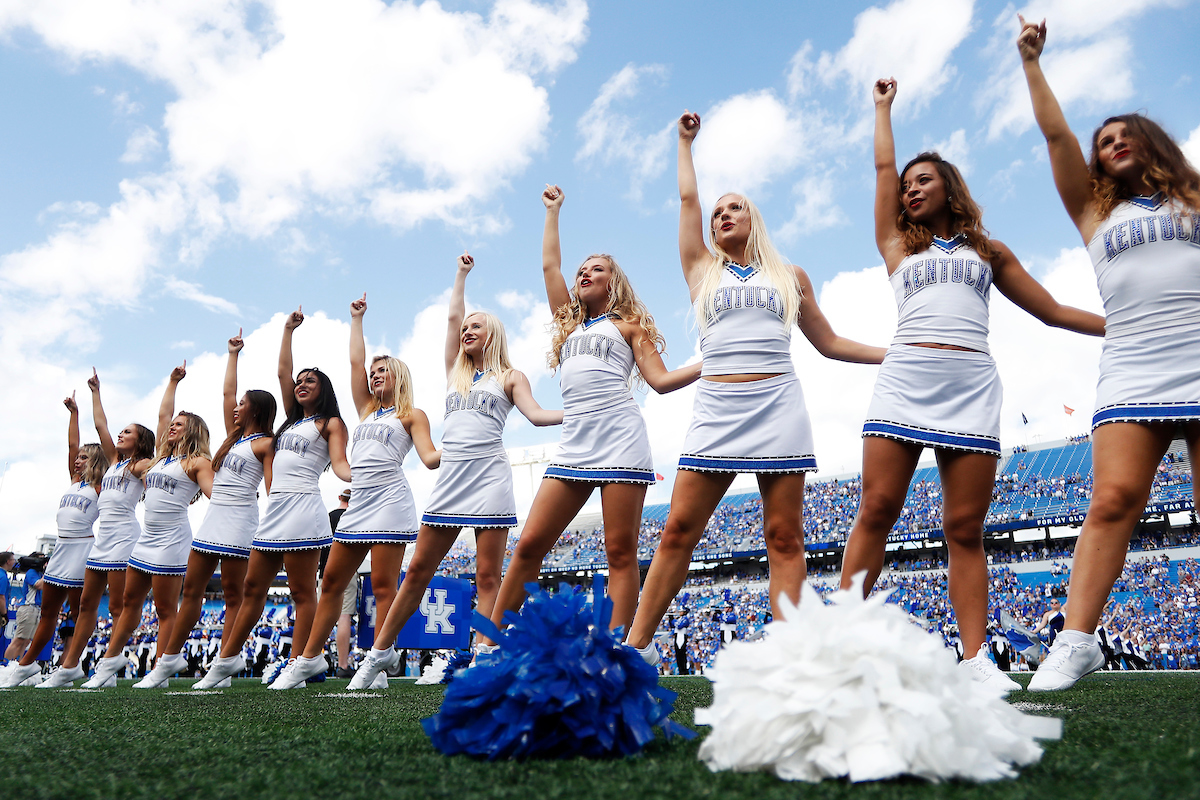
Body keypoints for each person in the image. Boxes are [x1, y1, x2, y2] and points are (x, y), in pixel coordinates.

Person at [837, 77, 1104, 691]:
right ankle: (838, 639)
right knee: (876, 509)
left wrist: (1121, 325)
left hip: (971, 391)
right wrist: (881, 109)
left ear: (950, 187)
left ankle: (977, 659)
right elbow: (882, 166)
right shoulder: (895, 247)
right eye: (906, 186)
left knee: (964, 529)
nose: (909, 189)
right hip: (903, 383)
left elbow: (1053, 310)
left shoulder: (989, 251)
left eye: (923, 179)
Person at [624, 111, 886, 663]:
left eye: (733, 207)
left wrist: (896, 353)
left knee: (784, 537)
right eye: (718, 212)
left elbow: (831, 343)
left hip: (778, 404)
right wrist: (683, 144)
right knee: (677, 531)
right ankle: (637, 647)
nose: (721, 215)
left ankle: (788, 652)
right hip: (717, 404)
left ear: (754, 218)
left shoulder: (791, 276)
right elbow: (688, 203)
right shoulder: (701, 270)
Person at [1018, 17, 1200, 690]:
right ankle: (1076, 640)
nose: (1113, 144)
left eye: (1125, 136)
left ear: (1149, 144)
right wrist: (1033, 63)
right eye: (1105, 143)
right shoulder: (1095, 212)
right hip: (1133, 363)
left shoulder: (1194, 194)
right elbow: (1057, 136)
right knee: (1113, 497)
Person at [484, 185, 700, 640]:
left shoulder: (629, 326)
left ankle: (618, 654)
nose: (584, 274)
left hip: (621, 439)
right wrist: (552, 211)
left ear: (612, 282)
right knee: (527, 547)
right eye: (581, 269)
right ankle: (486, 642)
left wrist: (709, 363)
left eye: (595, 269)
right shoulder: (568, 321)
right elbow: (549, 265)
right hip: (575, 444)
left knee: (620, 553)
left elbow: (660, 382)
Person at [346, 253, 561, 689]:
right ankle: (378, 655)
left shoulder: (510, 376)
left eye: (475, 327)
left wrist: (578, 412)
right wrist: (461, 277)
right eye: (465, 328)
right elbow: (450, 320)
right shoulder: (454, 375)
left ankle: (484, 654)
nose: (466, 331)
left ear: (493, 334)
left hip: (490, 479)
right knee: (419, 570)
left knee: (487, 575)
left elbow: (536, 416)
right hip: (451, 480)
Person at [272, 294, 440, 689]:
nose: (376, 375)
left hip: (390, 501)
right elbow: (354, 363)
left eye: (384, 371)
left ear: (399, 376)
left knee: (383, 587)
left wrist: (458, 453)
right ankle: (309, 660)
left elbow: (429, 456)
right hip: (359, 502)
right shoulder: (364, 409)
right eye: (374, 371)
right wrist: (356, 319)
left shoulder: (411, 414)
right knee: (329, 582)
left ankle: (377, 662)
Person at [196, 308, 352, 688]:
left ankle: (301, 664)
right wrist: (287, 330)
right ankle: (226, 661)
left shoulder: (329, 423)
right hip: (275, 511)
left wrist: (369, 477)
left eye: (309, 381)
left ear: (323, 388)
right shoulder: (289, 422)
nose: (300, 384)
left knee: (301, 592)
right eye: (299, 382)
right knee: (252, 587)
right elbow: (283, 372)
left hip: (302, 508)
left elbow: (341, 465)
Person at [134, 330, 277, 688]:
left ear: (255, 410)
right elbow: (226, 392)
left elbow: (273, 487)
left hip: (241, 519)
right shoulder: (233, 439)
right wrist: (232, 355)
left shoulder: (265, 443)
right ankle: (167, 662)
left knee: (233, 596)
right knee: (192, 591)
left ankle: (224, 663)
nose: (235, 406)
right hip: (213, 522)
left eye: (242, 404)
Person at [83, 363, 215, 688]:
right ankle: (106, 667)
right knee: (129, 603)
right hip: (146, 540)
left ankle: (161, 670)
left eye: (179, 425)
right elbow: (161, 417)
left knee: (165, 609)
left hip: (172, 541)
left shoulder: (197, 462)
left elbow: (217, 495)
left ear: (193, 430)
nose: (171, 427)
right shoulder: (158, 460)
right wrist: (171, 382)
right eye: (172, 424)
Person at [34, 370, 157, 688]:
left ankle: (109, 669)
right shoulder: (114, 463)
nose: (118, 434)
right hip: (102, 541)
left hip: (124, 537)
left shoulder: (139, 465)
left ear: (139, 441)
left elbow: (159, 475)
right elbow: (101, 425)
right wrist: (95, 393)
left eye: (127, 432)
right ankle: (69, 666)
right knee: (86, 604)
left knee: (118, 606)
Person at [1, 394, 108, 687]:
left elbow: (87, 450)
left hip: (82, 549)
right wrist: (74, 413)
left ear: (96, 460)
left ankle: (72, 664)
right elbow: (71, 445)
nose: (77, 460)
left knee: (79, 612)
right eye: (78, 457)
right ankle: (27, 666)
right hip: (61, 549)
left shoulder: (101, 487)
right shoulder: (75, 482)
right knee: (49, 611)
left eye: (84, 457)